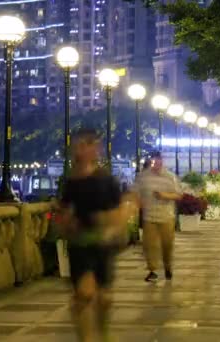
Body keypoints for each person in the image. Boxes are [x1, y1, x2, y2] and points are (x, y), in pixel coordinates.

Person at [57, 129, 128, 342]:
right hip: (80, 243)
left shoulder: (106, 179)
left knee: (104, 298)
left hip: (103, 243)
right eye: (81, 145)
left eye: (89, 145)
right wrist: (65, 223)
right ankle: (86, 338)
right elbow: (63, 209)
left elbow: (119, 210)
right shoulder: (72, 180)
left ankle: (104, 334)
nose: (86, 149)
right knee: (85, 294)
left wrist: (112, 224)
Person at [135, 151, 182, 283]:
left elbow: (178, 194)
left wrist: (164, 195)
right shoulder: (143, 177)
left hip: (166, 216)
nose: (156, 163)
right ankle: (153, 270)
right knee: (149, 245)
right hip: (149, 216)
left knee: (167, 245)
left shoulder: (170, 177)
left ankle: (167, 266)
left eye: (158, 160)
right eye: (153, 161)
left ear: (162, 161)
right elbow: (135, 192)